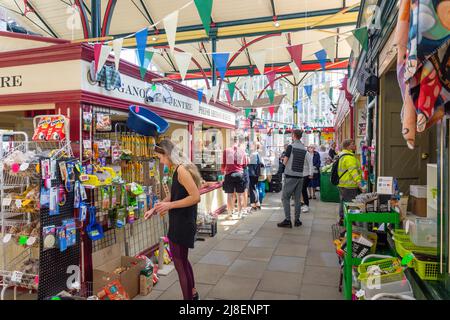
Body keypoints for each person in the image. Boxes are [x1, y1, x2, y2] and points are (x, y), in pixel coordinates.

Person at [144, 139, 202, 300]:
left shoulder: (181, 170)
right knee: (183, 261)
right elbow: (176, 194)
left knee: (179, 264)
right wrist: (155, 208)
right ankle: (192, 293)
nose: (161, 162)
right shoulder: (177, 169)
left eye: (160, 158)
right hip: (181, 221)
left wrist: (170, 206)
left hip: (182, 223)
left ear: (167, 154)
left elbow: (195, 197)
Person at [277, 129, 308, 228]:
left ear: (293, 135)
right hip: (300, 176)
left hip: (290, 176)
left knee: (285, 198)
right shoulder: (303, 148)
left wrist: (280, 169)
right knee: (298, 199)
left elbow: (285, 161)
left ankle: (287, 220)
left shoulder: (291, 147)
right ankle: (297, 220)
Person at [337, 139, 364, 221]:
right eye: (352, 144)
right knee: (350, 205)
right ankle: (349, 222)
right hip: (350, 185)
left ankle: (342, 219)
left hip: (342, 184)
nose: (354, 145)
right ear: (348, 146)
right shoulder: (349, 157)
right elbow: (353, 172)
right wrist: (360, 183)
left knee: (343, 202)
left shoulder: (342, 155)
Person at [221, 136, 248, 218]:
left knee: (229, 195)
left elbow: (223, 164)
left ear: (230, 141)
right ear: (238, 141)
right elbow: (245, 164)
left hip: (229, 174)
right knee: (239, 195)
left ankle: (230, 213)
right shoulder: (242, 151)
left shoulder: (226, 150)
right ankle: (239, 213)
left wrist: (223, 171)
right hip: (239, 174)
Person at [248, 143, 264, 211]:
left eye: (251, 145)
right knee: (255, 188)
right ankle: (257, 203)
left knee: (252, 189)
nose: (250, 146)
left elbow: (248, 163)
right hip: (256, 174)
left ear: (254, 147)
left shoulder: (253, 155)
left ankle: (253, 204)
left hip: (252, 174)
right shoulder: (258, 154)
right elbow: (262, 164)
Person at [300, 145, 314, 213]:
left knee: (303, 189)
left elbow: (310, 164)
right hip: (299, 174)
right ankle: (302, 203)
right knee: (301, 189)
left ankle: (306, 205)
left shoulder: (307, 153)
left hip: (306, 174)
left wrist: (311, 174)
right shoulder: (298, 153)